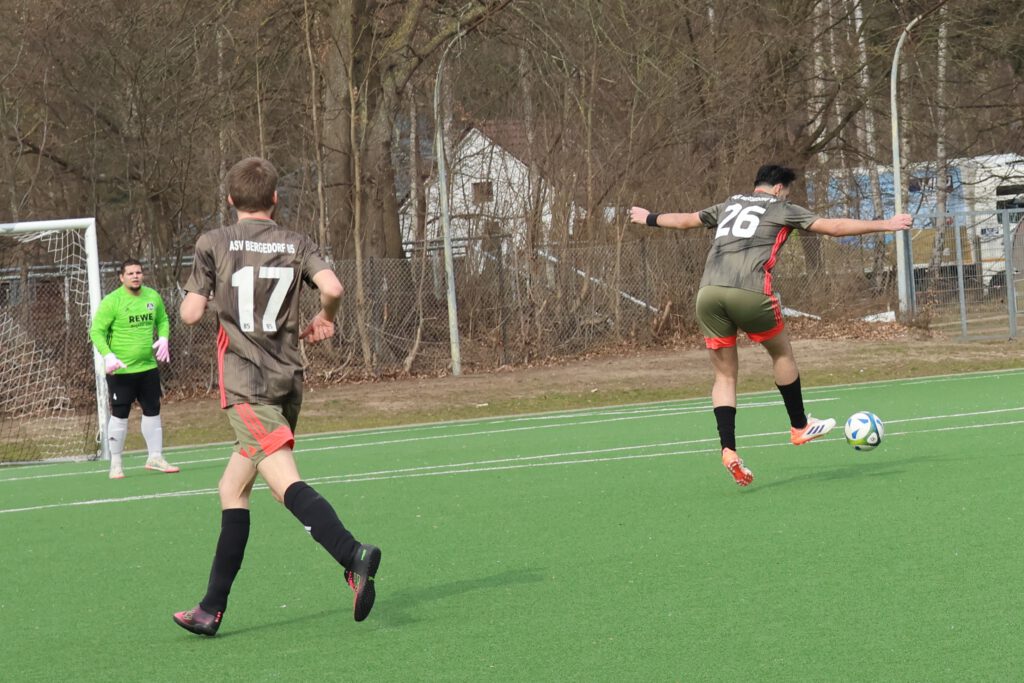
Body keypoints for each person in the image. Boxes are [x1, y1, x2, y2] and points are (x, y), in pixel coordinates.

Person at [172, 156, 381, 636]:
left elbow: (189, 314)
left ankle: (352, 554)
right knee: (232, 489)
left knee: (285, 484)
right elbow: (333, 286)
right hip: (288, 382)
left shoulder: (213, 242)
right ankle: (210, 608)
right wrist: (326, 316)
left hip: (247, 387)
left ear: (230, 199)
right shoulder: (296, 242)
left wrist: (203, 296)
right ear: (275, 199)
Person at [630, 164, 912, 487]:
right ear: (779, 188)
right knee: (781, 353)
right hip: (750, 292)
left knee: (724, 376)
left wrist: (649, 217)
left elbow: (685, 221)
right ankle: (799, 426)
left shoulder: (729, 204)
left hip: (708, 294)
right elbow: (833, 227)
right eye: (787, 192)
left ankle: (728, 449)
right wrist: (886, 224)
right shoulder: (781, 208)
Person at [89, 258, 179, 479]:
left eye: (138, 272)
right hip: (121, 371)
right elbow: (96, 331)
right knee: (120, 414)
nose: (135, 276)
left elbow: (163, 319)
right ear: (122, 277)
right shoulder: (112, 301)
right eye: (130, 273)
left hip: (148, 367)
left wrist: (164, 337)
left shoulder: (152, 296)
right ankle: (116, 463)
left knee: (153, 410)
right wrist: (108, 355)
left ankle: (155, 457)